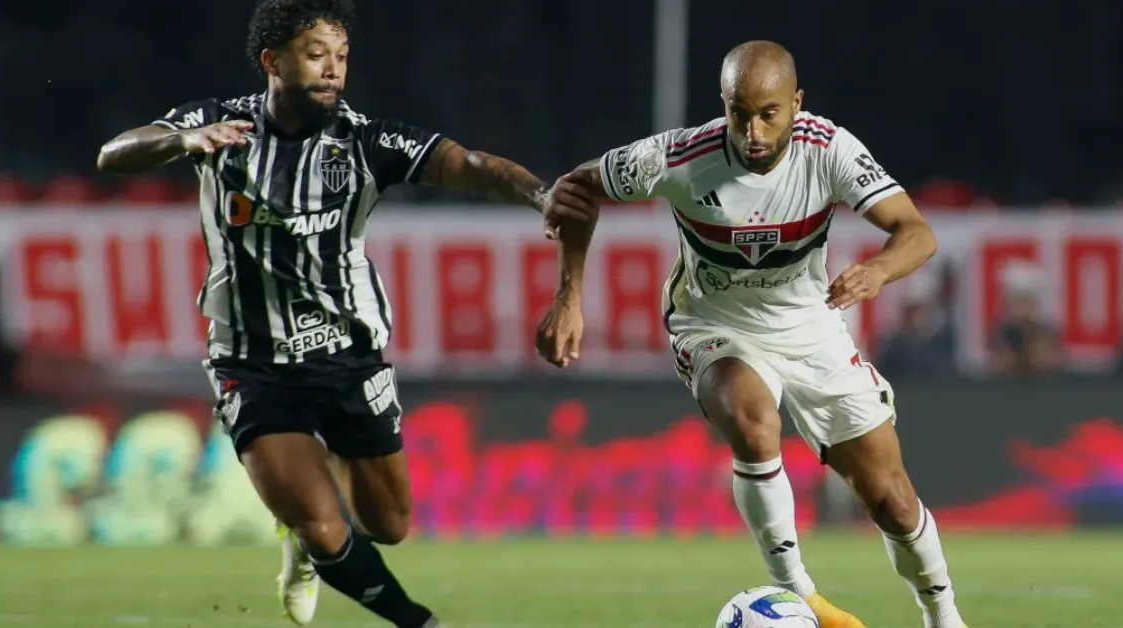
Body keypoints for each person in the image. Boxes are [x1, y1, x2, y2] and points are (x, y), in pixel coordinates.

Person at [96, 1, 593, 626]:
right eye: (315, 55)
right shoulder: (218, 125)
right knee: (323, 524)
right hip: (251, 362)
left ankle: (306, 526)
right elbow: (115, 153)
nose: (333, 70)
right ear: (271, 61)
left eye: (341, 56)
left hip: (347, 355)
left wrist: (539, 194)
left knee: (389, 525)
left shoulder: (364, 140)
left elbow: (467, 164)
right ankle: (412, 616)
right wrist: (179, 139)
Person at [537, 41, 969, 628]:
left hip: (810, 324)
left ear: (796, 103)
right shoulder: (680, 156)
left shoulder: (830, 150)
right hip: (712, 321)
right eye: (739, 113)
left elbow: (916, 232)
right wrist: (569, 297)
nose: (753, 130)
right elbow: (578, 188)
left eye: (769, 112)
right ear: (724, 104)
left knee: (890, 496)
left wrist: (877, 270)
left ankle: (943, 616)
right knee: (752, 418)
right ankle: (798, 595)